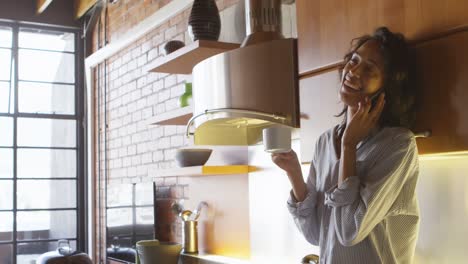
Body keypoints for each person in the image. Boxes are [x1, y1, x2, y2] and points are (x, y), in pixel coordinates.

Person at [272, 27, 419, 263]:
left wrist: (349, 146)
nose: (353, 71)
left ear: (388, 85)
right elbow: (315, 234)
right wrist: (294, 173)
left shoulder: (398, 145)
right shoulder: (325, 142)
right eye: (354, 59)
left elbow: (350, 232)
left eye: (369, 68)